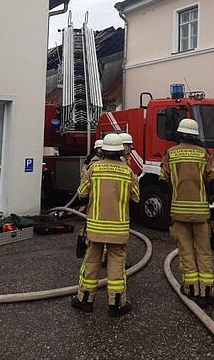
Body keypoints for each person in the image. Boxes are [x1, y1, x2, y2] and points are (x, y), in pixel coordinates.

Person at [72, 133, 140, 316]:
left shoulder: (94, 169)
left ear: (104, 150)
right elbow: (136, 198)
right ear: (120, 151)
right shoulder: (128, 172)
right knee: (117, 263)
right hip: (118, 228)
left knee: (92, 261)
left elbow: (82, 194)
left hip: (95, 227)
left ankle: (84, 300)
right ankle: (117, 304)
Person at [160, 118, 214, 307]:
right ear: (195, 135)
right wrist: (208, 201)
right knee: (203, 251)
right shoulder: (204, 154)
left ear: (179, 134)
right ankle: (207, 291)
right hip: (201, 212)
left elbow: (163, 182)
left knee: (185, 251)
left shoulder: (171, 153)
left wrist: (173, 195)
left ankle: (191, 288)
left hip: (178, 211)